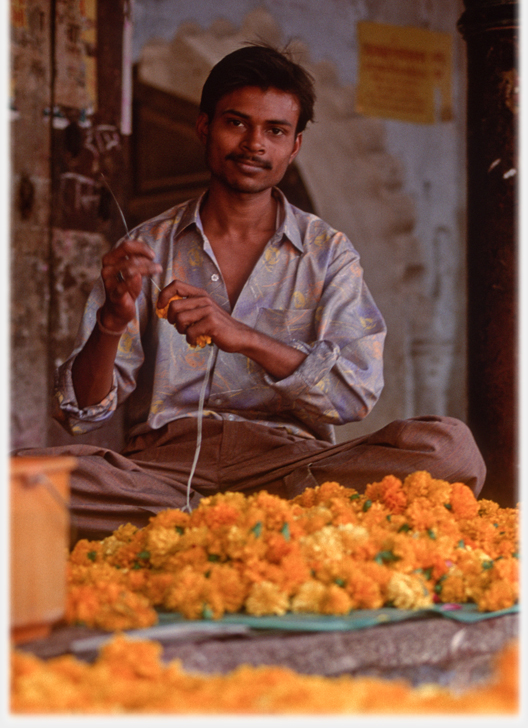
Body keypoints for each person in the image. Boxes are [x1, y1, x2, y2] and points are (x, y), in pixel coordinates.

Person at [27, 44, 485, 540]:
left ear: (295, 146)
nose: (254, 145)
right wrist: (110, 324)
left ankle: (207, 530)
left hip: (295, 469)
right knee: (21, 482)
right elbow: (79, 413)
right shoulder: (146, 248)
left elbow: (353, 396)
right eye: (236, 123)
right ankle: (253, 529)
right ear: (204, 127)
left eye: (275, 130)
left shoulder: (326, 252)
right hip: (167, 472)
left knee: (449, 450)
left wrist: (241, 336)